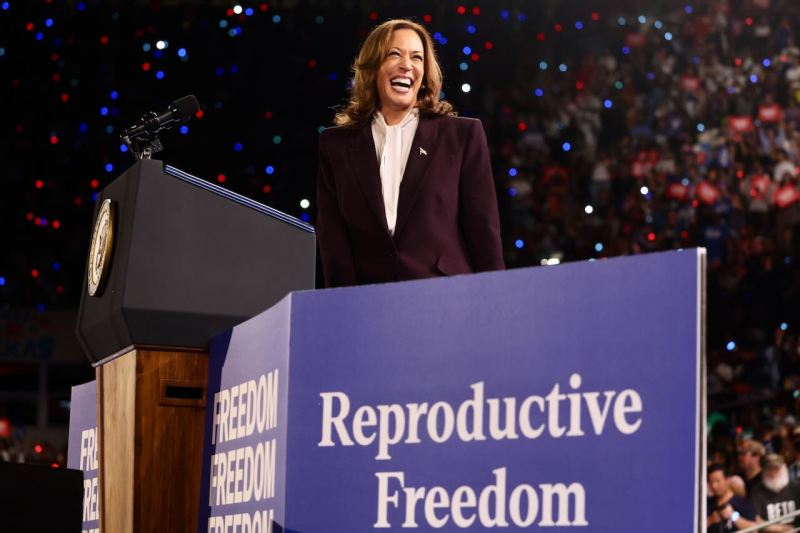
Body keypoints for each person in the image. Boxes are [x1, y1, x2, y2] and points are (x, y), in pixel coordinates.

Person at [315, 19, 504, 287]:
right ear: (373, 67)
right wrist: (342, 308)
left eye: (417, 57)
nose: (407, 65)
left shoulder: (462, 136)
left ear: (425, 73)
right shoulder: (335, 145)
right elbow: (333, 242)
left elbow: (484, 233)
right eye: (394, 54)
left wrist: (497, 301)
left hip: (446, 300)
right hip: (369, 305)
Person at [750, 454, 800, 531]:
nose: (773, 473)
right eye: (769, 469)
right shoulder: (757, 491)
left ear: (785, 467)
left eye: (777, 468)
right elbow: (756, 520)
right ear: (764, 470)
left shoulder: (797, 488)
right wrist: (781, 529)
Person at [707, 463, 758, 532]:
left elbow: (755, 530)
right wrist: (711, 520)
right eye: (711, 482)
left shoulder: (742, 503)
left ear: (727, 480)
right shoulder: (707, 503)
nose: (714, 486)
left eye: (717, 481)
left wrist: (733, 516)